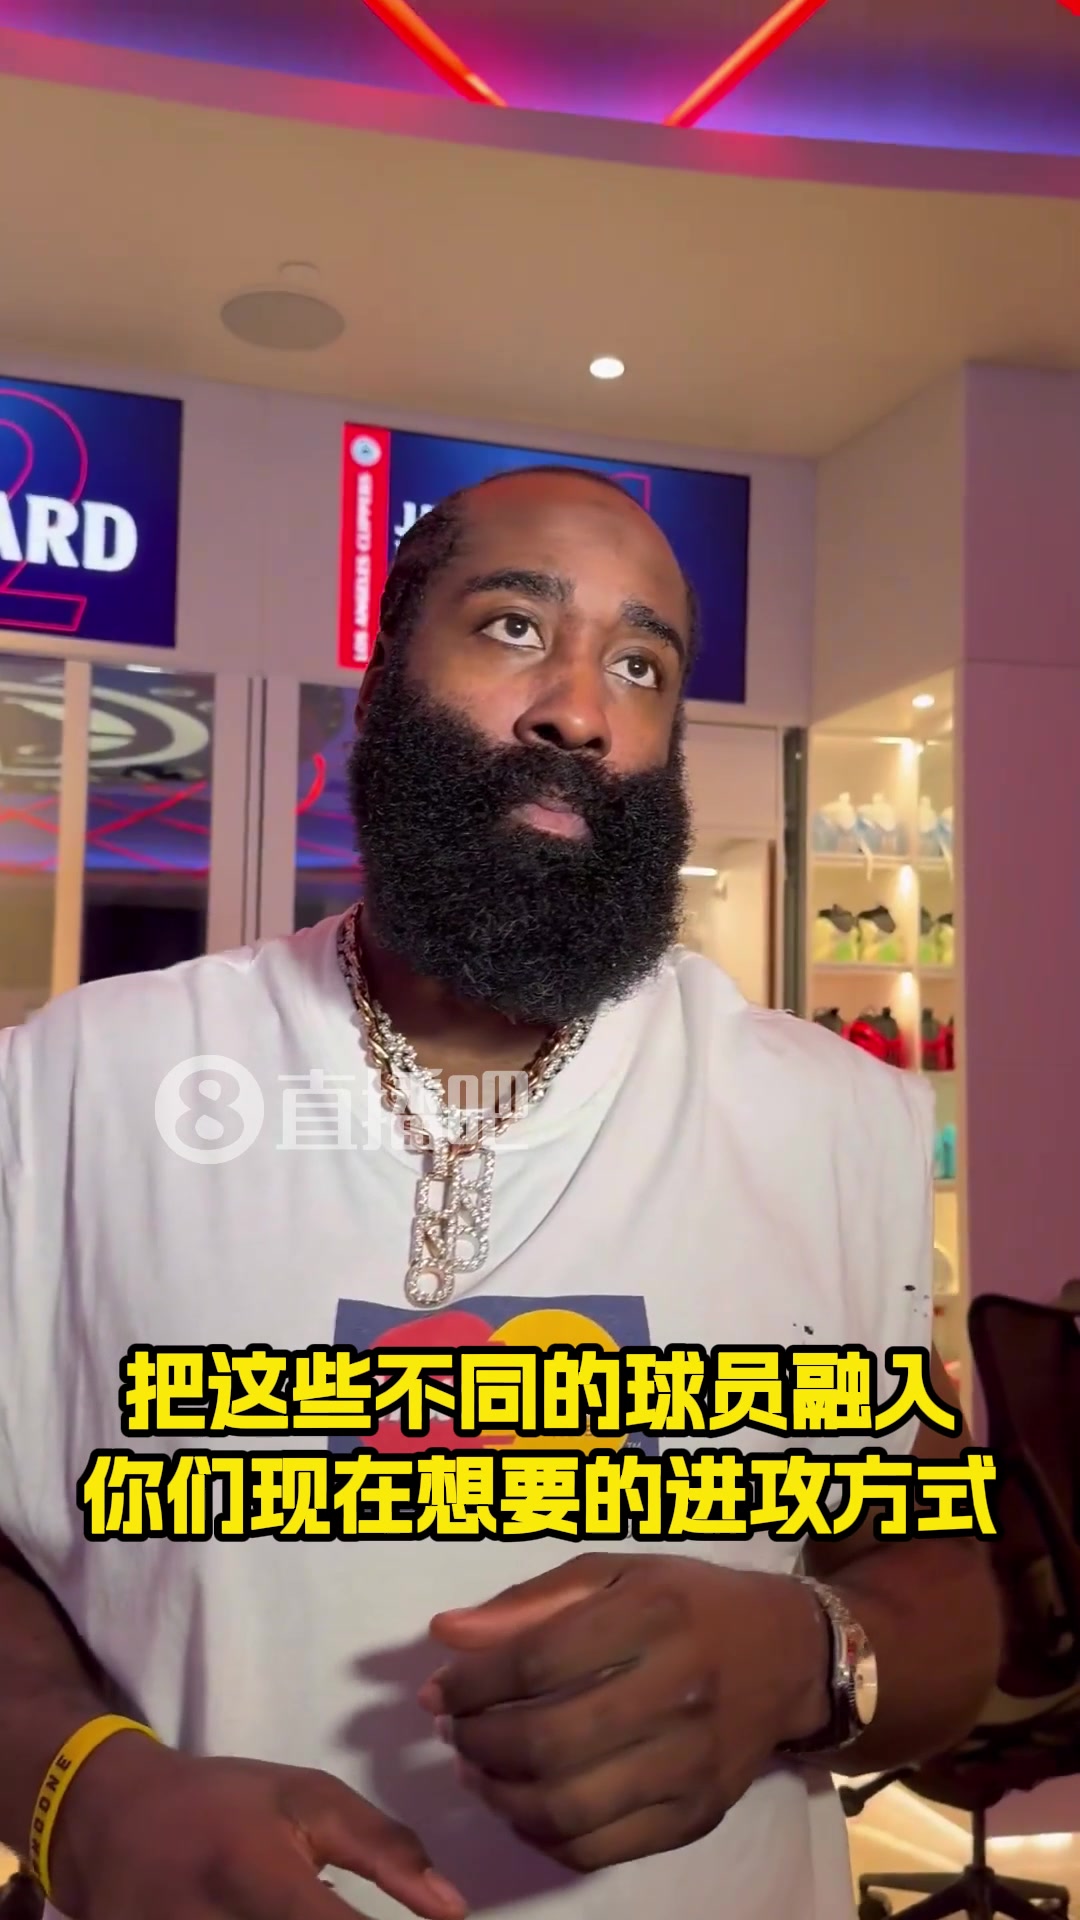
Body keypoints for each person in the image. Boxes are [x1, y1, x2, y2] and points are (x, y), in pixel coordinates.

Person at [0, 467, 1000, 1920]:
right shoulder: (79, 1086)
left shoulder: (836, 1122)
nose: (578, 710)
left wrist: (809, 1654)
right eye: (516, 627)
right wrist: (78, 1786)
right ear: (380, 686)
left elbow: (941, 1580)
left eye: (641, 664)